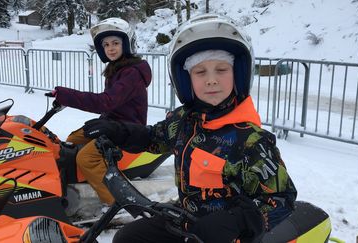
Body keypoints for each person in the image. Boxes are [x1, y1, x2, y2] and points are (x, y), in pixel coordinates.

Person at [90, 14, 297, 243]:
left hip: (227, 235)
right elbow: (153, 138)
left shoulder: (250, 139)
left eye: (221, 70)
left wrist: (237, 221)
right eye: (200, 72)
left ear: (239, 74)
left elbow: (282, 198)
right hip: (186, 221)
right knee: (128, 237)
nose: (211, 80)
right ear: (186, 80)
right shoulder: (184, 120)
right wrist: (118, 131)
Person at [49, 17, 152, 206]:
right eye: (106, 45)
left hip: (129, 129)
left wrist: (67, 95)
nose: (110, 48)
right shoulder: (118, 69)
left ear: (127, 44)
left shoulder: (132, 73)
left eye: (115, 43)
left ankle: (117, 204)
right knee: (72, 140)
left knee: (86, 157)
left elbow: (106, 102)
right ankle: (85, 186)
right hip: (113, 125)